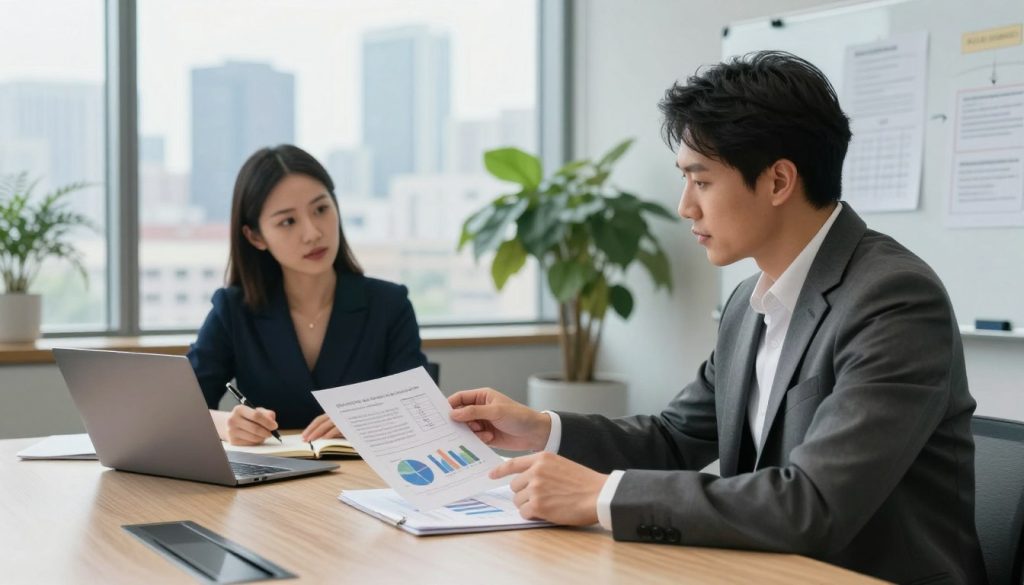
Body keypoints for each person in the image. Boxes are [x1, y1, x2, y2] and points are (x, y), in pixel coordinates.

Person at [448, 52, 986, 584]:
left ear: (778, 182)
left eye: (701, 181)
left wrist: (600, 495)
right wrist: (541, 429)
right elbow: (675, 438)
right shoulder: (749, 301)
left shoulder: (894, 300)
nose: (686, 206)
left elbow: (813, 504)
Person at [188, 144, 427, 446]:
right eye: (288, 221)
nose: (313, 232)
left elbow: (421, 408)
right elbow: (178, 410)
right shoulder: (234, 309)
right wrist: (227, 424)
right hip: (273, 485)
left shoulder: (390, 305)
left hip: (369, 482)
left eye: (321, 209)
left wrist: (363, 420)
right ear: (255, 236)